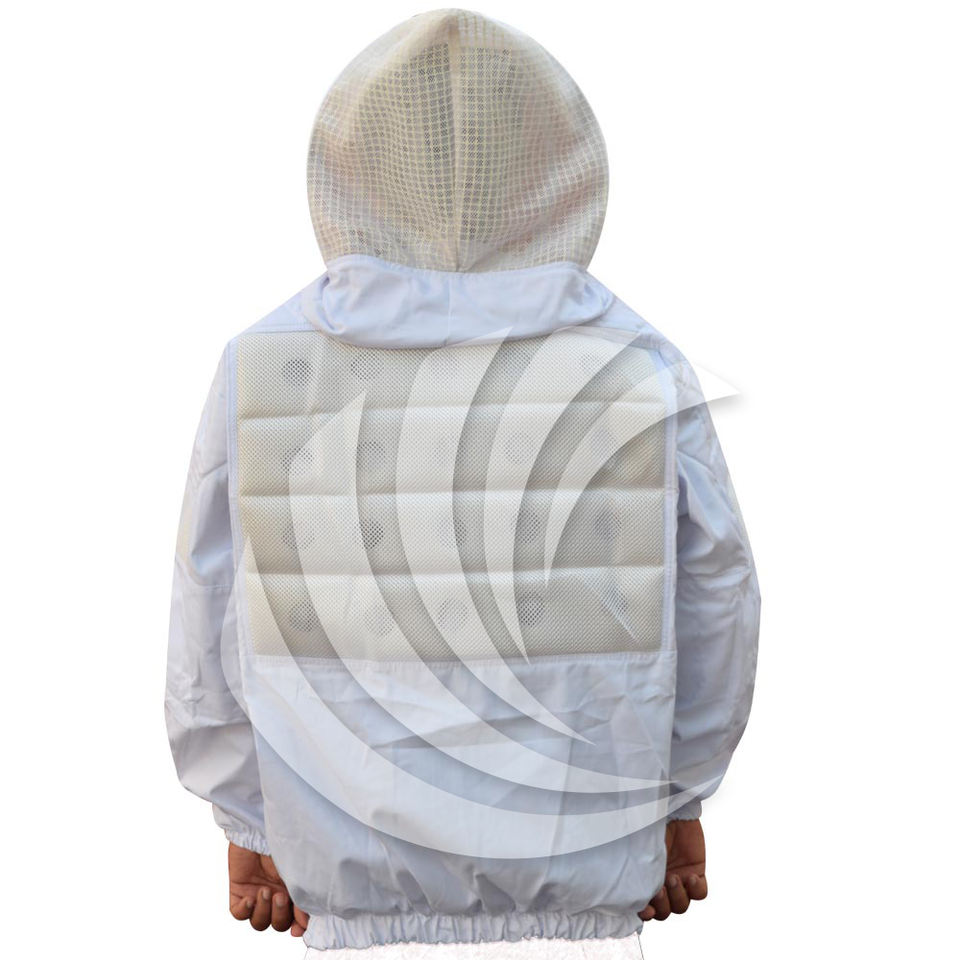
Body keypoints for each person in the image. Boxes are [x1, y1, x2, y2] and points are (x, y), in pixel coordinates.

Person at [165, 8, 760, 955]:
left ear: (346, 167)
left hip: (344, 889)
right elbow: (715, 598)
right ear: (564, 165)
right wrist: (679, 803)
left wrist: (248, 821)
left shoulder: (265, 367)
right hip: (585, 896)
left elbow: (208, 614)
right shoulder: (640, 365)